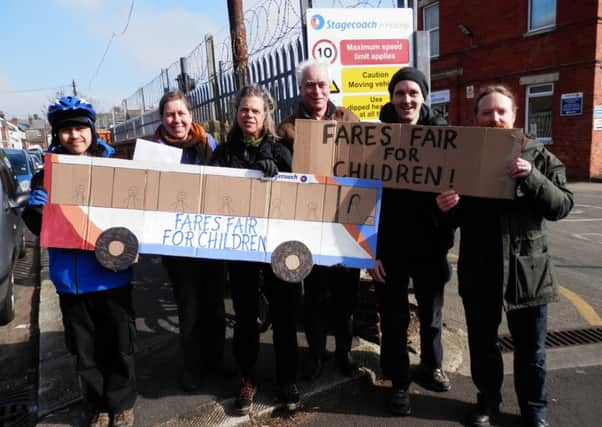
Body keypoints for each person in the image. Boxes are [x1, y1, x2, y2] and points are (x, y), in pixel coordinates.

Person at [436, 85, 574, 427]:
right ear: (476, 118)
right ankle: (488, 402)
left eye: (501, 112)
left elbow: (562, 205)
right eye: (487, 112)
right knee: (483, 346)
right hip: (480, 269)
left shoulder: (538, 155)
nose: (494, 118)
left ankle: (534, 410)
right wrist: (447, 209)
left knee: (531, 351)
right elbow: (454, 220)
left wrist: (533, 176)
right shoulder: (465, 160)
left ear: (514, 116)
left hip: (528, 271)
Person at [23, 96, 136, 427]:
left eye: (81, 128)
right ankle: (98, 403)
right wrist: (35, 207)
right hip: (71, 279)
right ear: (58, 135)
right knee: (85, 348)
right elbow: (37, 227)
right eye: (67, 130)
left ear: (92, 131)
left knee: (119, 343)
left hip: (112, 273)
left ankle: (122, 402)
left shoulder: (115, 167)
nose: (75, 136)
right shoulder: (46, 174)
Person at [368, 67, 455, 416]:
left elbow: (458, 186)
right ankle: (399, 381)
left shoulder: (443, 136)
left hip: (431, 244)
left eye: (413, 93)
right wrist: (368, 252)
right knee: (393, 317)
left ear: (423, 96)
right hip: (389, 246)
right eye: (400, 93)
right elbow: (361, 198)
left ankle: (432, 365)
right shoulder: (376, 139)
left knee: (432, 313)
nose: (406, 99)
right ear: (391, 97)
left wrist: (452, 204)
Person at [210, 85, 300, 414]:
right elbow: (210, 192)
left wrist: (278, 169)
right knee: (246, 317)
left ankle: (287, 379)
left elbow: (299, 194)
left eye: (256, 111)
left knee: (286, 314)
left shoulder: (280, 150)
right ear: (237, 113)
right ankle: (247, 378)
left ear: (266, 116)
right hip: (241, 249)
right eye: (244, 109)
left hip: (278, 247)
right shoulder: (222, 152)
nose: (249, 115)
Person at [278, 59, 361, 381]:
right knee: (314, 296)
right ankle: (315, 355)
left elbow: (367, 164)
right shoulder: (288, 128)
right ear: (301, 89)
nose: (316, 90)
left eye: (322, 84)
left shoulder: (349, 120)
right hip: (310, 225)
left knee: (346, 297)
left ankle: (344, 352)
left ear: (330, 87)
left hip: (345, 223)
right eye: (309, 85)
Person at [152, 90, 227, 392]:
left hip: (211, 239)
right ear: (161, 119)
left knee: (215, 305)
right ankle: (192, 366)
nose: (176, 120)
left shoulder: (209, 145)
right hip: (175, 242)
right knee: (189, 306)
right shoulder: (152, 151)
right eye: (170, 114)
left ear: (191, 115)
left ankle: (217, 361)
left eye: (181, 113)